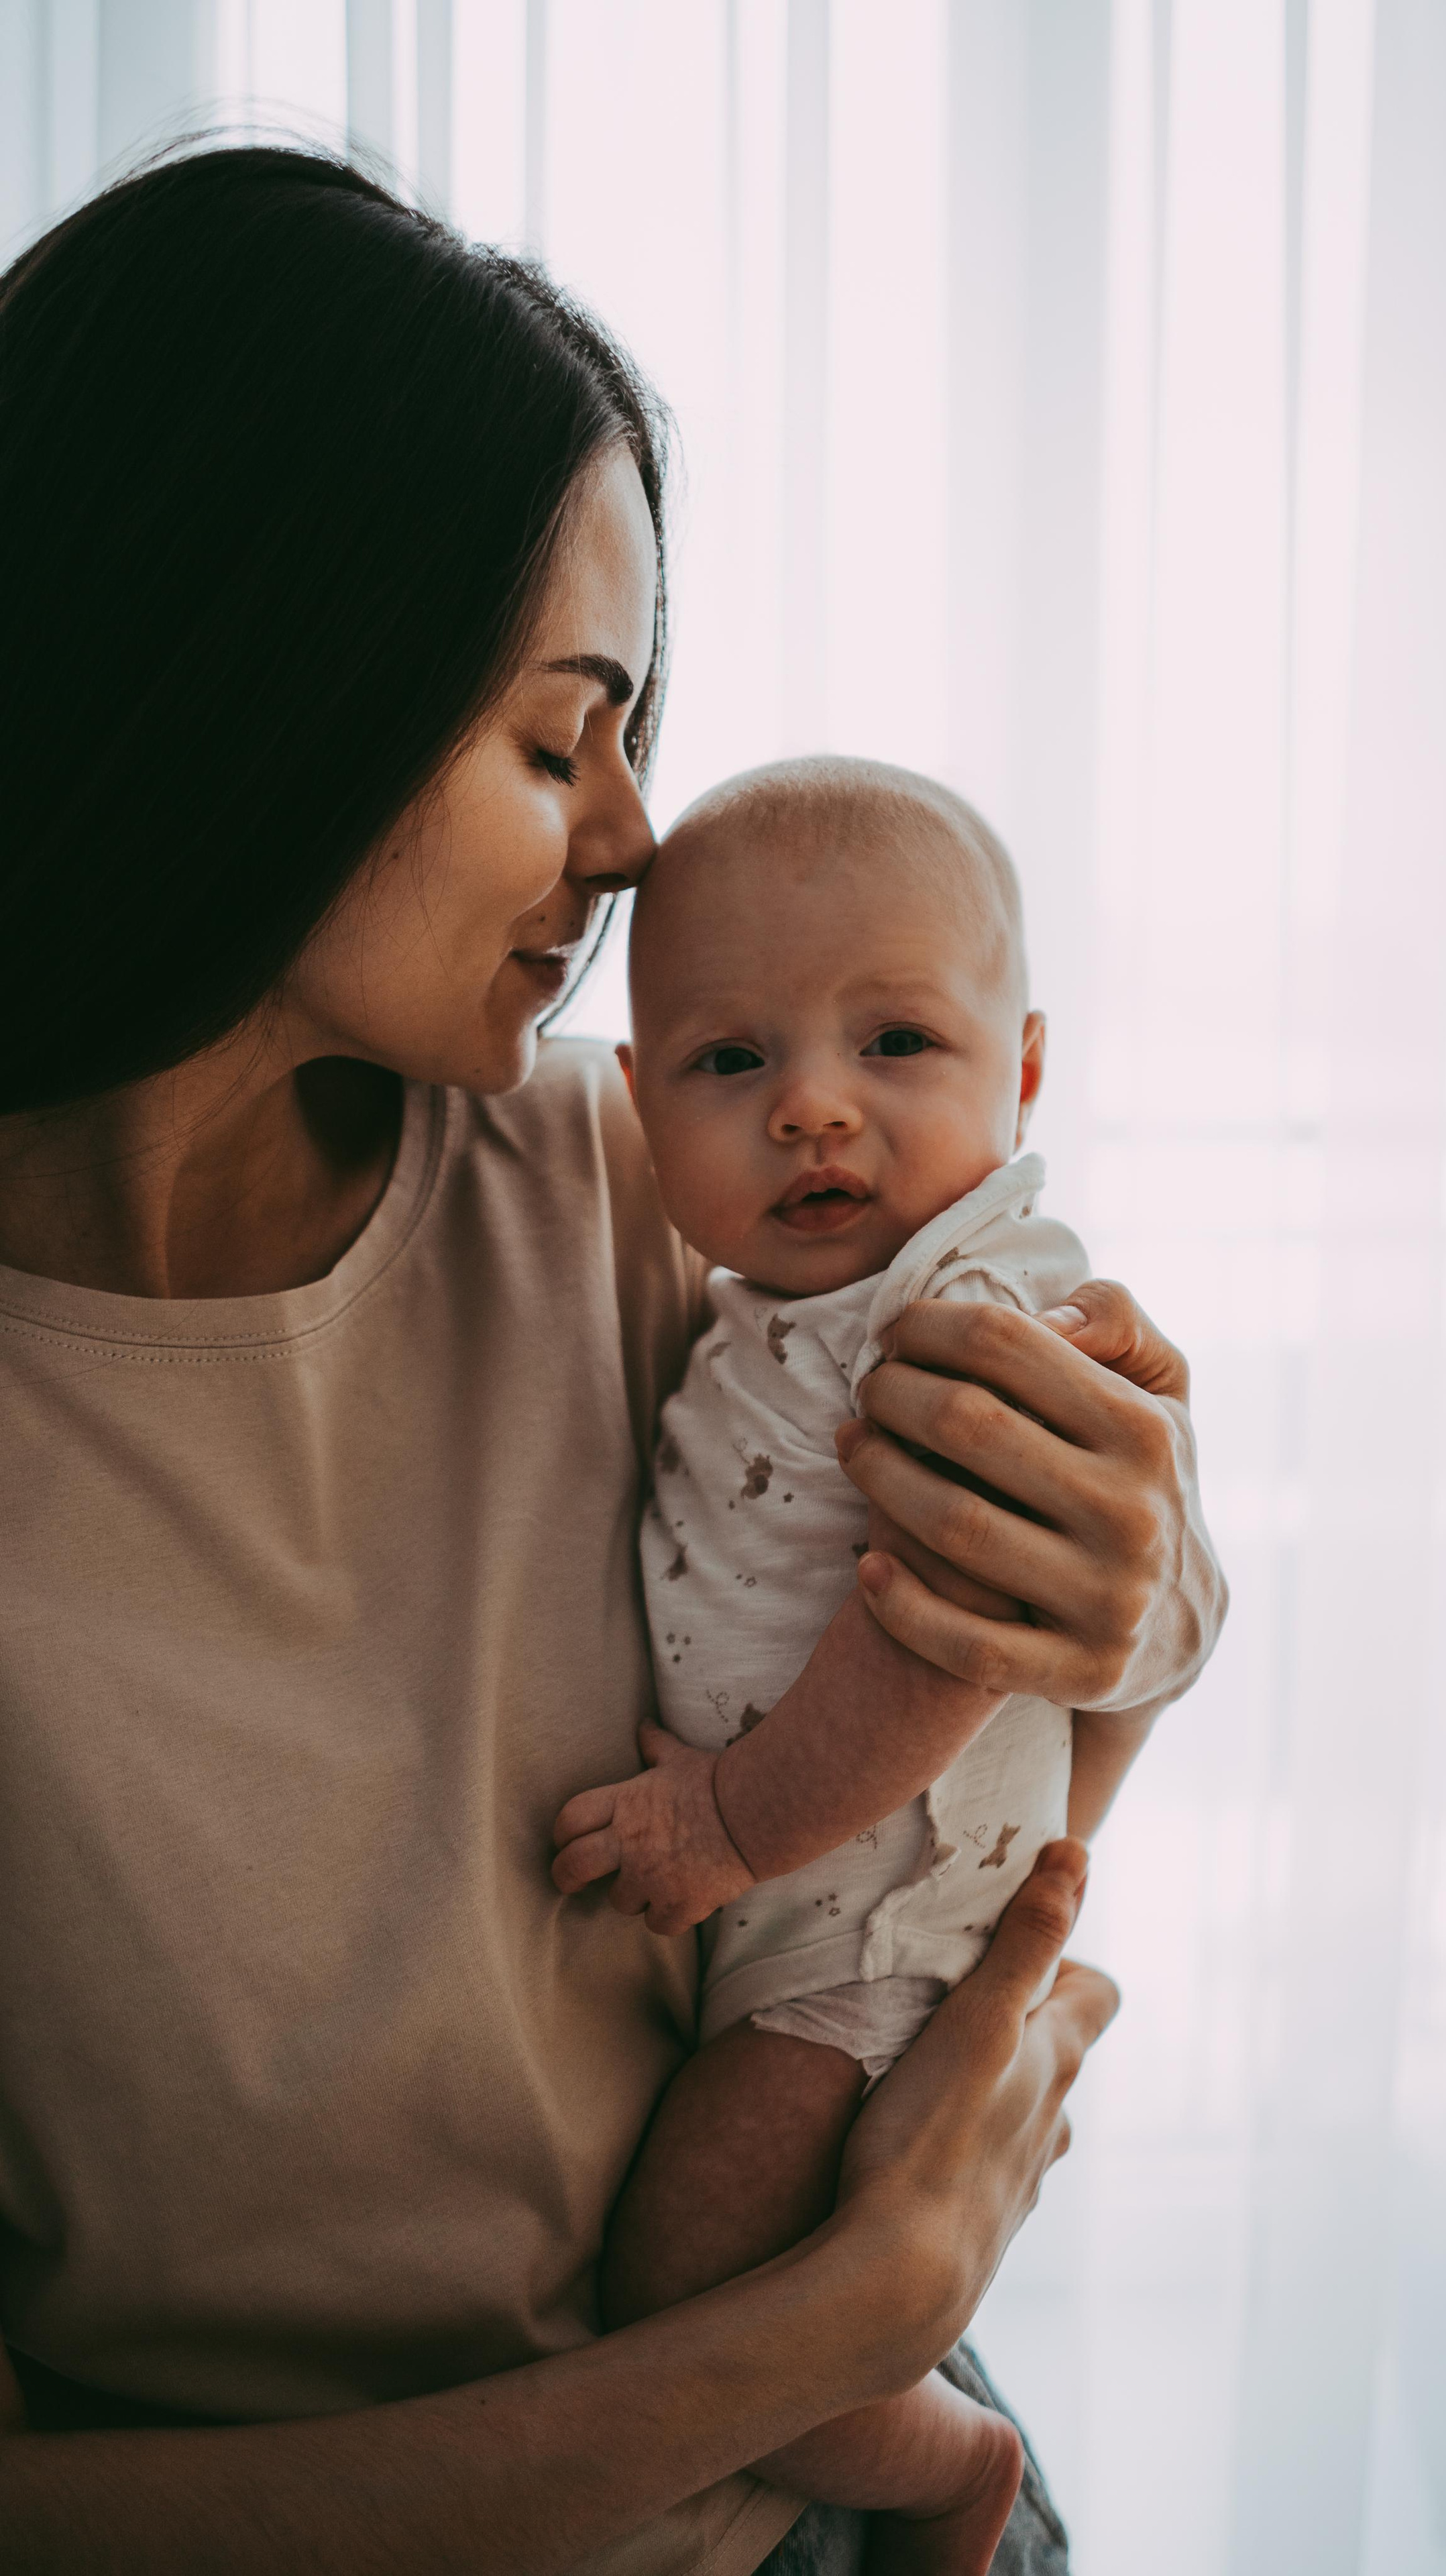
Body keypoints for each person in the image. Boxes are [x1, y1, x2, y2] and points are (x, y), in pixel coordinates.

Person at [0, 146, 1227, 2573]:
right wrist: (821, 2331)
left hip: (844, 2479)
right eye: (564, 743)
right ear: (258, 683)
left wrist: (1145, 1588)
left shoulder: (634, 1184)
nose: (639, 842)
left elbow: (1025, 1703)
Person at [552, 755, 1166, 2573]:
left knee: (688, 2291)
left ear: (1023, 1071)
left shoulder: (967, 1312)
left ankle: (950, 2468)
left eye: (895, 1043)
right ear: (641, 1101)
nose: (813, 1106)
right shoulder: (780, 1311)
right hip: (819, 1907)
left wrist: (725, 1826)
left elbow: (950, 1633)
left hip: (869, 1932)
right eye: (732, 1061)